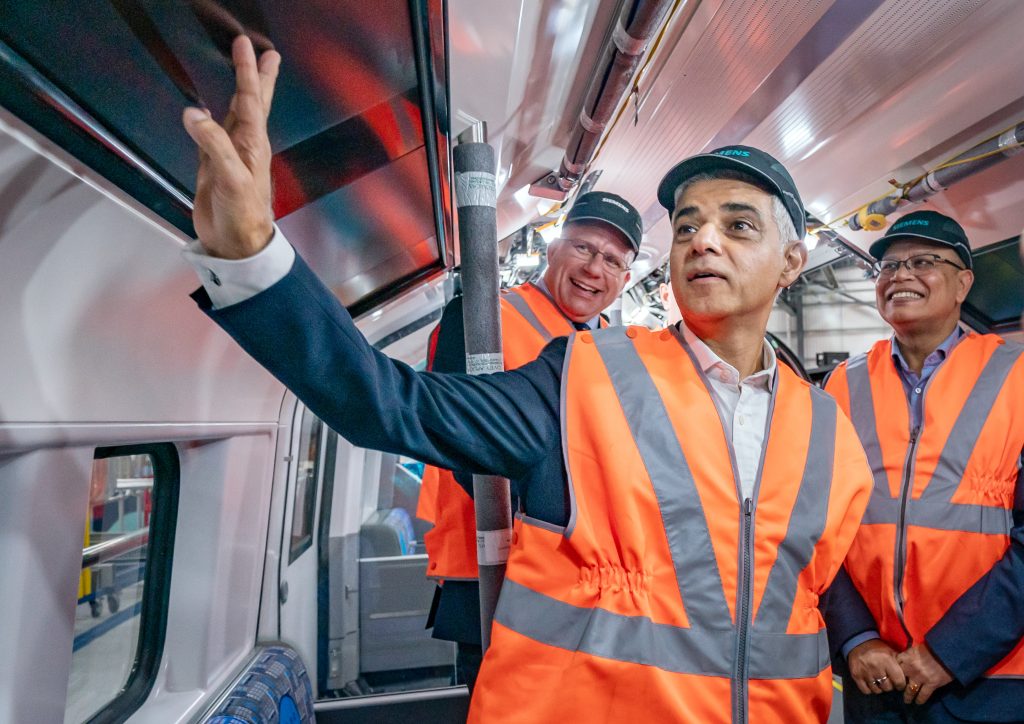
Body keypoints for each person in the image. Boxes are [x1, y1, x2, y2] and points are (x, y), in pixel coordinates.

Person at [180, 37, 873, 721]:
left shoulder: (831, 437)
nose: (703, 240)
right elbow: (391, 406)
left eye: (738, 225)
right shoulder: (584, 379)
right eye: (688, 224)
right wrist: (252, 262)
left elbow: (814, 592)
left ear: (791, 262)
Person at [420, 190, 642, 692]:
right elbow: (459, 441)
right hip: (493, 575)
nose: (594, 269)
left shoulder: (617, 345)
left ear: (625, 279)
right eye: (584, 248)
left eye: (612, 260)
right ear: (552, 248)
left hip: (588, 586)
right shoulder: (481, 318)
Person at [824, 210, 1024, 721]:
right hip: (877, 676)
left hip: (988, 679)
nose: (901, 275)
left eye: (923, 261)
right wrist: (856, 638)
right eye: (888, 266)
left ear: (964, 284)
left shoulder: (1017, 376)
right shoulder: (841, 386)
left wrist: (948, 652)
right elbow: (820, 532)